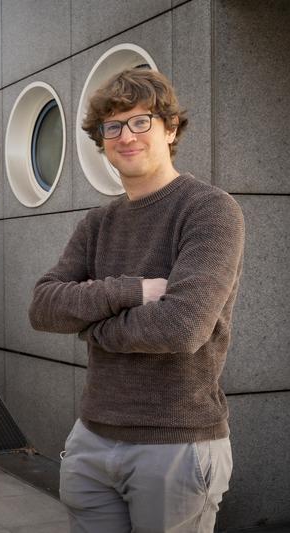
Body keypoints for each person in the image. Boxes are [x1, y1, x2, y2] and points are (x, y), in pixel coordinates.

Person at [28, 68, 244, 532]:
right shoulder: (97, 223)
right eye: (113, 126)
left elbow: (181, 329)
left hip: (176, 447)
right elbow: (43, 306)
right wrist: (133, 291)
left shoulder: (208, 209)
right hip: (91, 440)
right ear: (102, 140)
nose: (126, 136)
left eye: (141, 121)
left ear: (170, 129)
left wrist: (90, 325)